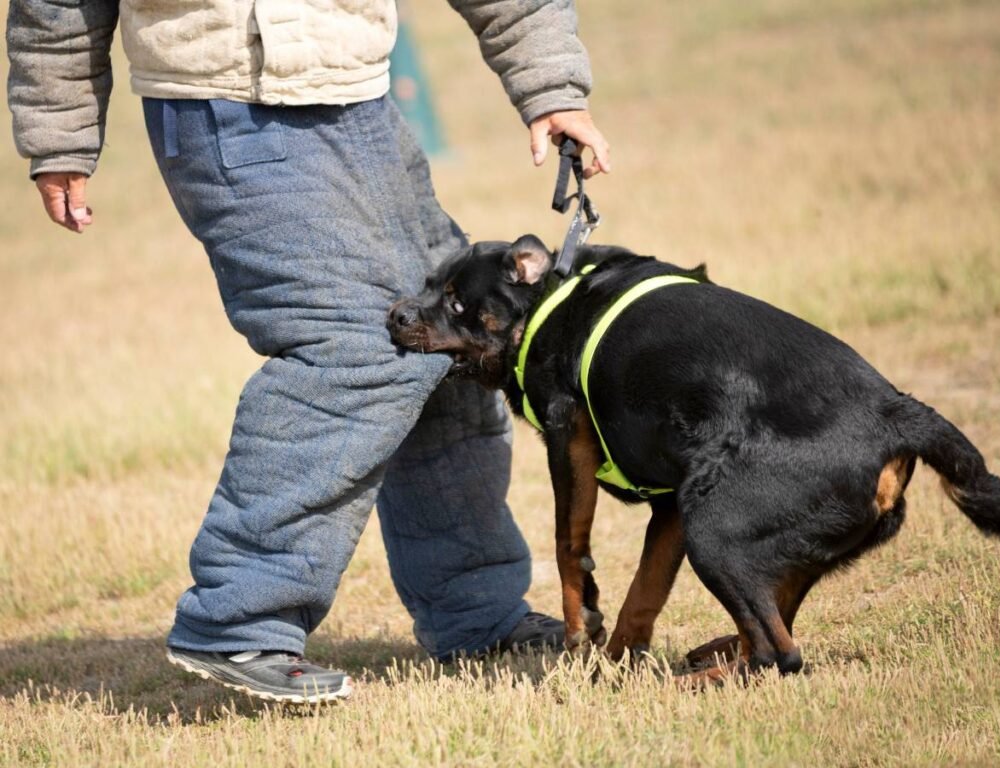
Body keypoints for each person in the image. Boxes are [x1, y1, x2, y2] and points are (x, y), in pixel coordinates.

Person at [7, 0, 610, 703]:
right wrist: (59, 134)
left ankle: (478, 615)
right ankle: (239, 620)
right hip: (222, 106)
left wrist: (551, 85)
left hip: (359, 103)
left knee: (449, 347)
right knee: (351, 349)